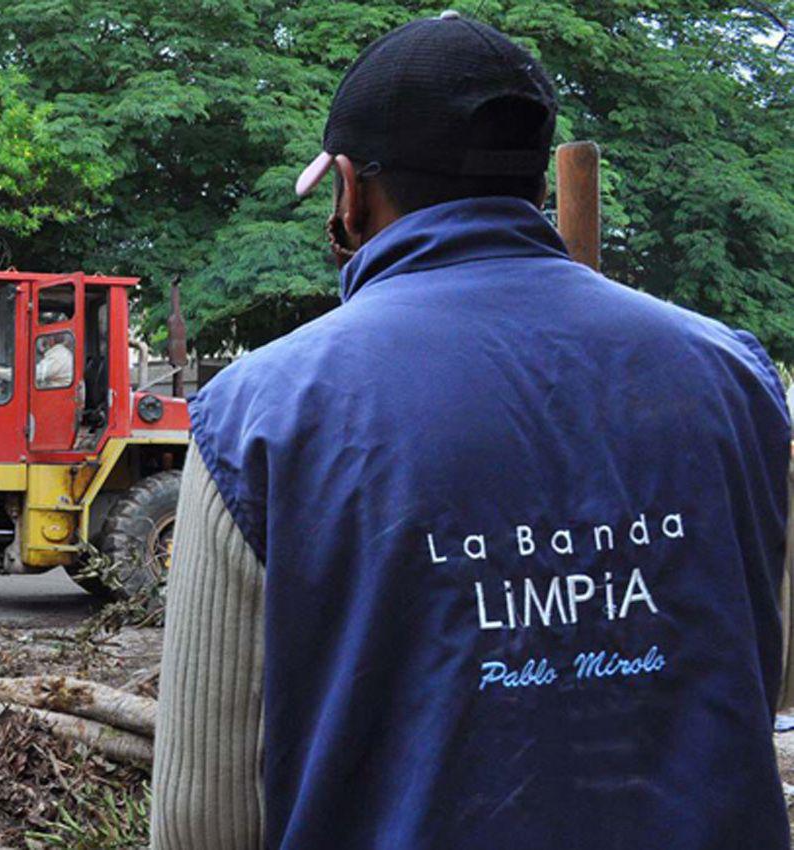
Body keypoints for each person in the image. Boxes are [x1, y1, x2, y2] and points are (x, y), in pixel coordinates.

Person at [152, 12, 790, 850]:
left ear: (349, 189)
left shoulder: (259, 415)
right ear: (531, 180)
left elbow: (204, 819)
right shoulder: (736, 378)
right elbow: (773, 676)